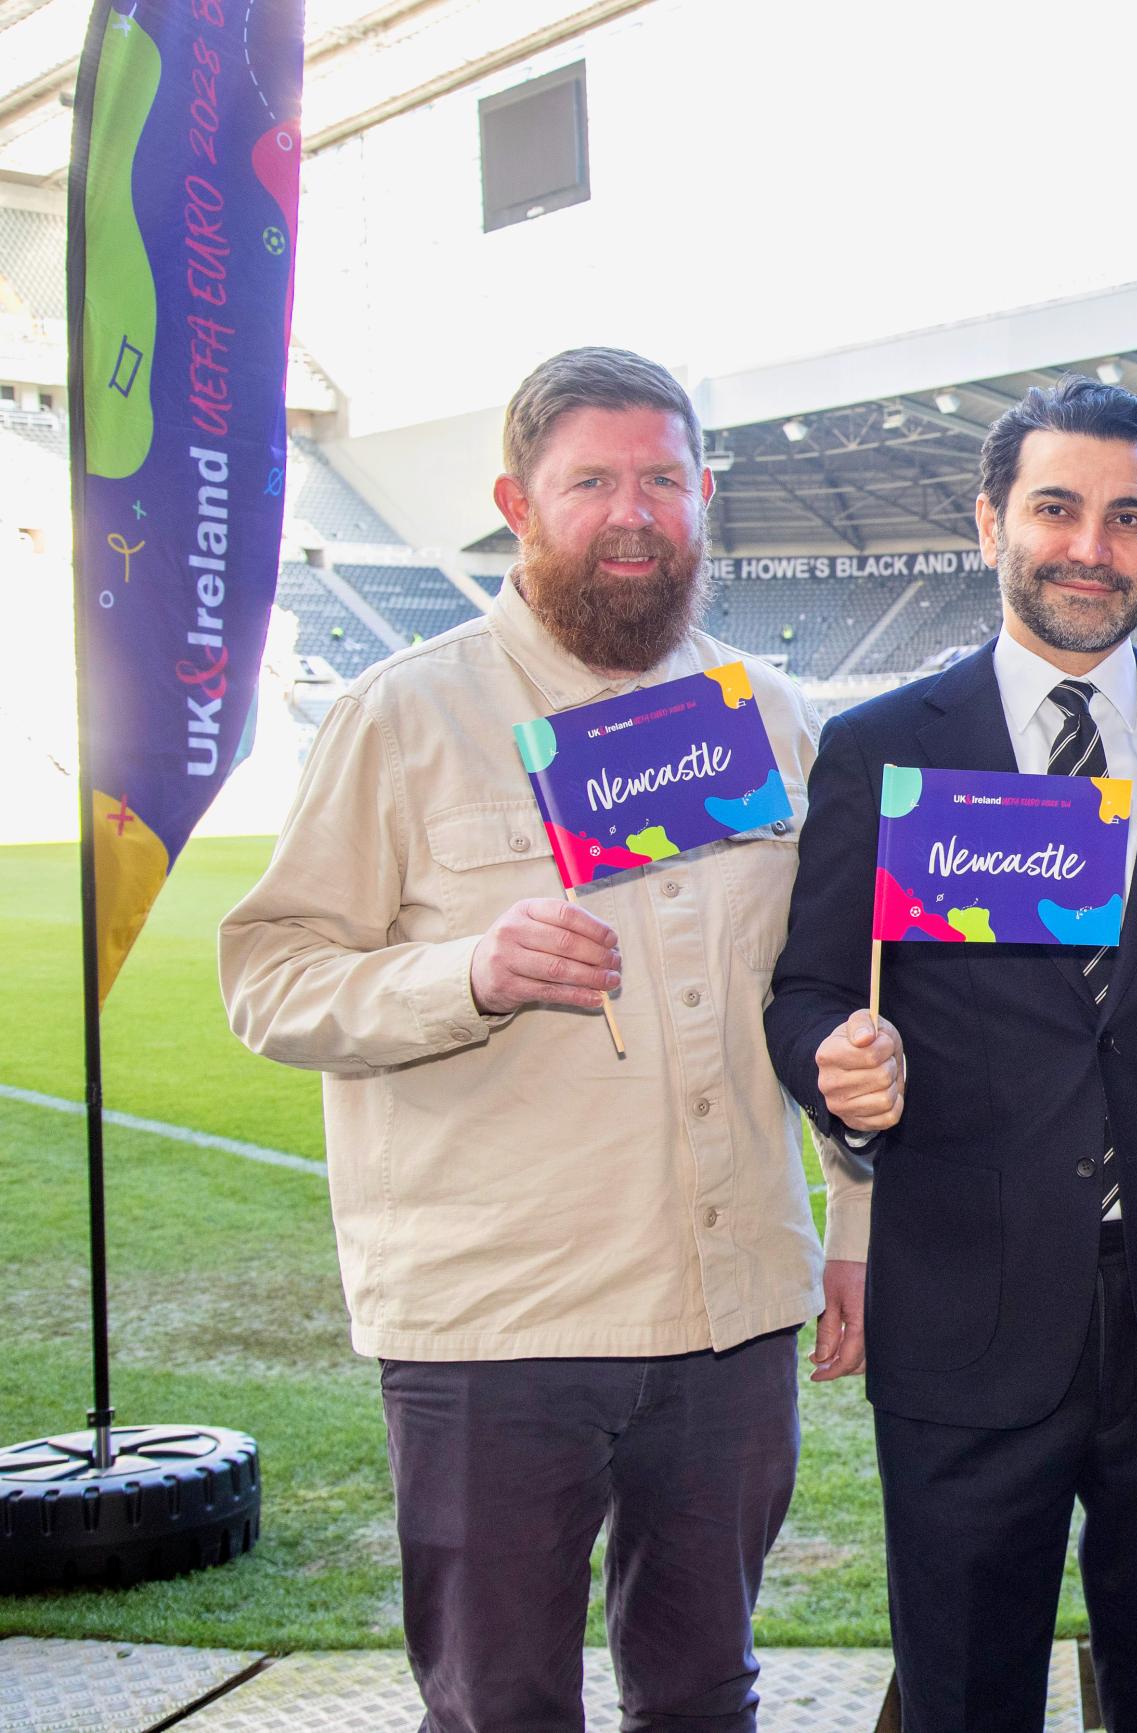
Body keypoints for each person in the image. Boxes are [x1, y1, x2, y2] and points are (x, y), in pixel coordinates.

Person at [219, 347, 844, 1729]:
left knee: (704, 1695)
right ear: (517, 501)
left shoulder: (776, 720)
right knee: (501, 1702)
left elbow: (828, 1002)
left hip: (726, 1304)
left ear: (704, 497)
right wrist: (469, 974)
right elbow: (270, 977)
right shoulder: (408, 715)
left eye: (665, 479)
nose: (635, 512)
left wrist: (848, 1227)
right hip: (496, 1324)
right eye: (593, 482)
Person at [763, 378, 1137, 1733]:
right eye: (1057, 508)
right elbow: (809, 986)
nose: (1091, 546)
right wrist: (835, 1055)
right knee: (964, 1701)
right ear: (993, 517)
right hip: (967, 1319)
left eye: (1129, 517)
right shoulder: (887, 749)